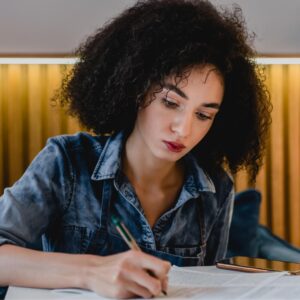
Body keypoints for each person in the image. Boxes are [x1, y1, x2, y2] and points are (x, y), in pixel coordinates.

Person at [0, 0, 271, 298]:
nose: (183, 129)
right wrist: (92, 273)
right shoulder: (66, 162)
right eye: (170, 103)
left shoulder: (216, 190)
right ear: (136, 88)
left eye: (203, 115)